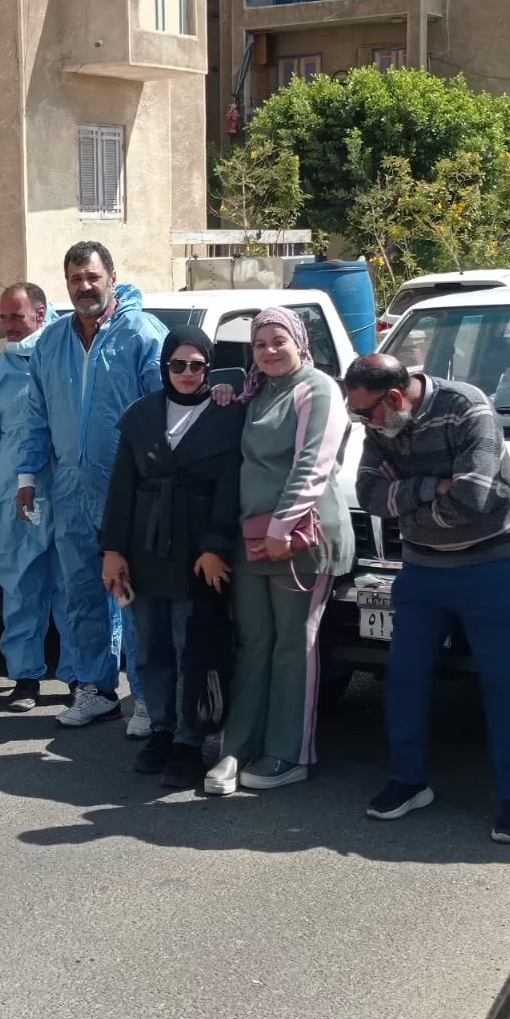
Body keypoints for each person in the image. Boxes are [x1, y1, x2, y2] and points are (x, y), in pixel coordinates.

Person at [345, 353, 510, 844]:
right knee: (404, 678)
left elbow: (473, 498)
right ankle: (409, 780)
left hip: (492, 566)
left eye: (366, 413)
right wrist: (432, 487)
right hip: (421, 571)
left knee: (506, 685)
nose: (364, 423)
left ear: (396, 397)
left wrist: (407, 502)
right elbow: (369, 494)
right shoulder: (383, 423)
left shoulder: (467, 407)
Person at [16, 242, 168, 731]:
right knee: (80, 592)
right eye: (75, 279)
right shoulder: (51, 342)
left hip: (130, 490)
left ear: (112, 278)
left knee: (135, 594)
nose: (84, 287)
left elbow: (165, 414)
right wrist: (27, 474)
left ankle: (146, 697)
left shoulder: (142, 334)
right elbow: (36, 413)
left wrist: (158, 485)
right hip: (70, 488)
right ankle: (96, 688)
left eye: (93, 277)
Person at [207, 308, 352, 795]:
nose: (269, 350)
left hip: (300, 538)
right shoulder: (257, 392)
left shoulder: (318, 388)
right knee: (253, 644)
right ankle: (237, 747)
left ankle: (289, 753)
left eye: (278, 340)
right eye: (259, 343)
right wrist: (222, 394)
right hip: (251, 537)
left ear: (299, 341)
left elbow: (313, 463)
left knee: (294, 646)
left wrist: (281, 527)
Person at [99, 327, 245, 787]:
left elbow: (230, 488)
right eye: (177, 364)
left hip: (198, 551)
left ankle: (189, 740)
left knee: (192, 649)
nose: (187, 373)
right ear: (164, 366)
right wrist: (112, 550)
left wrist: (215, 546)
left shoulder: (226, 414)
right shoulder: (141, 415)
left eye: (197, 365)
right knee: (150, 647)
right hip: (146, 547)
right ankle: (162, 730)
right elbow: (121, 488)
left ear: (209, 367)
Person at [0, 282, 65, 711]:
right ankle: (25, 677)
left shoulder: (68, 363)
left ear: (40, 313)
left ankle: (84, 676)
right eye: (3, 317)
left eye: (16, 316)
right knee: (21, 590)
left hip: (69, 497)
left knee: (75, 591)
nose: (8, 326)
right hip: (15, 505)